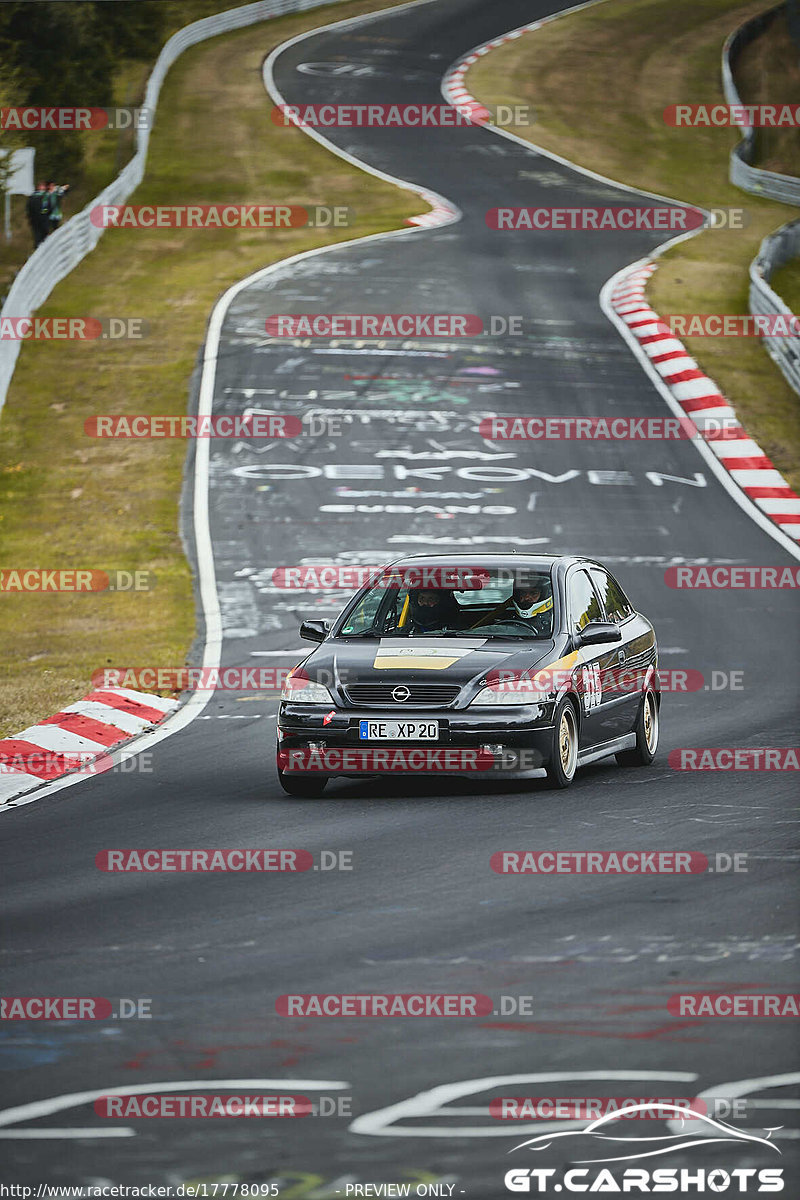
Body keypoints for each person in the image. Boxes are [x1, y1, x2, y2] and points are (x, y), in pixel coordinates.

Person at [26, 181, 50, 248]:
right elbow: (29, 208)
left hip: (39, 218)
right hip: (37, 219)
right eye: (42, 186)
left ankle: (40, 247)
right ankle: (38, 248)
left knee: (42, 234)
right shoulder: (35, 197)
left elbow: (46, 207)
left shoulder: (42, 196)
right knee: (39, 235)